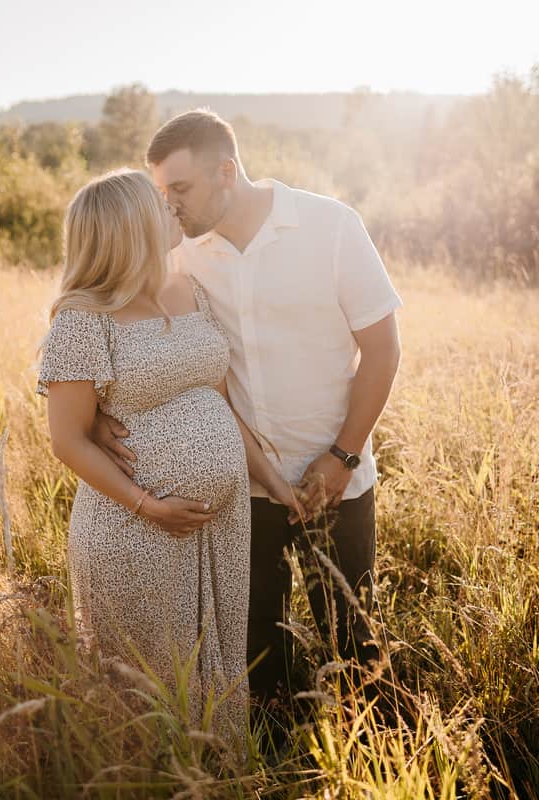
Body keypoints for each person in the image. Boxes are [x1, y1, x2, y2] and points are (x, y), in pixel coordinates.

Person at [93, 110, 403, 732]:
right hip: (240, 489)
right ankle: (273, 769)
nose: (170, 207)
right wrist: (101, 411)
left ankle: (379, 761)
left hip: (333, 480)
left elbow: (384, 348)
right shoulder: (177, 254)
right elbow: (106, 319)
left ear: (227, 171)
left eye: (179, 189)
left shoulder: (330, 226)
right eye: (161, 194)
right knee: (256, 649)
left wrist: (342, 456)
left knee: (355, 642)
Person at [35, 169, 305, 753]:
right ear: (130, 227)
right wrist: (148, 505)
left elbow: (221, 403)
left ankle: (219, 783)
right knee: (148, 688)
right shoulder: (82, 319)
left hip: (218, 531)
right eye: (159, 206)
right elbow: (68, 440)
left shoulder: (192, 291)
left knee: (216, 671)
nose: (173, 211)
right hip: (133, 530)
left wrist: (276, 485)